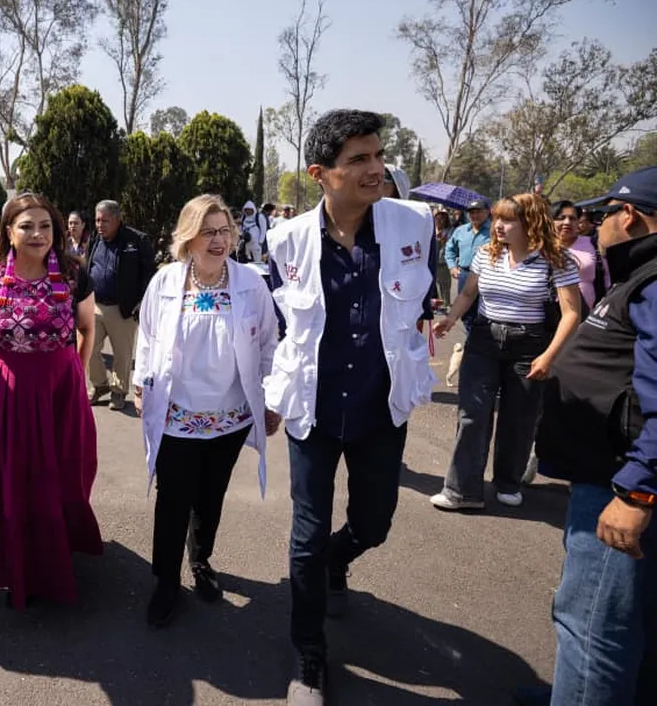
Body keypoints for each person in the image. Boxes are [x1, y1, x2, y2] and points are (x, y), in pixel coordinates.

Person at [264, 110, 437, 706]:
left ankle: (340, 560)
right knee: (306, 535)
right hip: (313, 411)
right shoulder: (286, 240)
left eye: (378, 155)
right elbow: (283, 325)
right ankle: (309, 655)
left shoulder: (415, 223)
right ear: (321, 174)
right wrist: (269, 393)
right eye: (358, 159)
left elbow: (420, 303)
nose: (376, 169)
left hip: (379, 408)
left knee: (375, 523)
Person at [519, 167, 657, 706]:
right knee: (628, 620)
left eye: (603, 215)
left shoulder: (652, 284)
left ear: (630, 216)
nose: (594, 226)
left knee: (593, 624)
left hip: (621, 482)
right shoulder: (639, 277)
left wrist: (638, 489)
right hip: (616, 473)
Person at [132, 194, 281, 627]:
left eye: (224, 231)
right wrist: (141, 383)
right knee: (173, 498)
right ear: (188, 237)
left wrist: (271, 398)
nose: (219, 240)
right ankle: (165, 580)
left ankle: (200, 561)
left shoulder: (250, 283)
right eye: (208, 232)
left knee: (210, 496)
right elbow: (148, 336)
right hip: (177, 413)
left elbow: (269, 342)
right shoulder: (166, 281)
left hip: (230, 415)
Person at [0, 192, 103, 609]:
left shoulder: (73, 274)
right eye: (26, 226)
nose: (37, 234)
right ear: (9, 232)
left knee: (63, 475)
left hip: (60, 388)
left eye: (45, 226)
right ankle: (20, 567)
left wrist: (75, 372)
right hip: (10, 391)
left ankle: (57, 553)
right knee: (15, 480)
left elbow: (87, 329)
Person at [430, 194, 581, 511]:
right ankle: (461, 491)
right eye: (497, 218)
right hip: (483, 339)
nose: (498, 225)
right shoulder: (487, 253)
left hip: (530, 346)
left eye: (508, 219)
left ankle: (508, 482)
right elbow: (468, 293)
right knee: (471, 415)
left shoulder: (556, 260)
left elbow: (571, 314)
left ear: (531, 222)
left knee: (519, 419)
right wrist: (450, 318)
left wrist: (549, 356)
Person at [86, 200, 157, 411]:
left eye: (105, 221)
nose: (100, 225)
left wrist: (141, 301)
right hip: (95, 305)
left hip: (123, 308)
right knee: (88, 348)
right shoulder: (94, 239)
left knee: (122, 354)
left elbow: (149, 273)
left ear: (117, 220)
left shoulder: (136, 240)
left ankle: (118, 391)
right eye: (97, 220)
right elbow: (88, 266)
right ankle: (100, 385)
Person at [443, 199, 492, 331]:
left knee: (485, 311)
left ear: (487, 212)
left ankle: (481, 338)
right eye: (471, 212)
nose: (474, 215)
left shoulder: (494, 230)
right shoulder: (460, 231)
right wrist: (452, 266)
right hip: (465, 274)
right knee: (466, 312)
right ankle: (471, 338)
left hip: (487, 275)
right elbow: (450, 249)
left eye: (478, 211)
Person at [552, 200, 608, 313]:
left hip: (589, 313)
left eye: (572, 218)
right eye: (561, 218)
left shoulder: (593, 243)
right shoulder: (541, 247)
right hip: (549, 314)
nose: (567, 222)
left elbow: (607, 276)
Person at [433, 210, 454, 311]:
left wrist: (444, 240)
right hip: (433, 260)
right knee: (436, 283)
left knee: (445, 283)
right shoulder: (432, 229)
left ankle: (446, 303)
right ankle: (439, 303)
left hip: (443, 260)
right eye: (437, 219)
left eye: (442, 219)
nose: (439, 221)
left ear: (446, 220)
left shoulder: (450, 230)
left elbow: (451, 244)